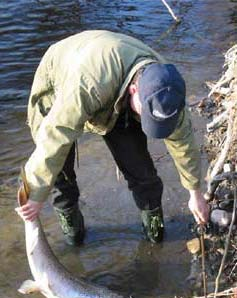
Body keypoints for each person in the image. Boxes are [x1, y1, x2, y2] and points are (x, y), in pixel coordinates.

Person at [15, 30, 209, 245]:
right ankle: (73, 236)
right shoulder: (88, 84)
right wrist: (34, 192)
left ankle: (155, 233)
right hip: (62, 81)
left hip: (117, 92)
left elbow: (184, 144)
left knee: (144, 175)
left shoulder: (168, 91)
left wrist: (195, 193)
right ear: (135, 89)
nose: (147, 122)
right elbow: (56, 135)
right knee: (61, 177)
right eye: (146, 115)